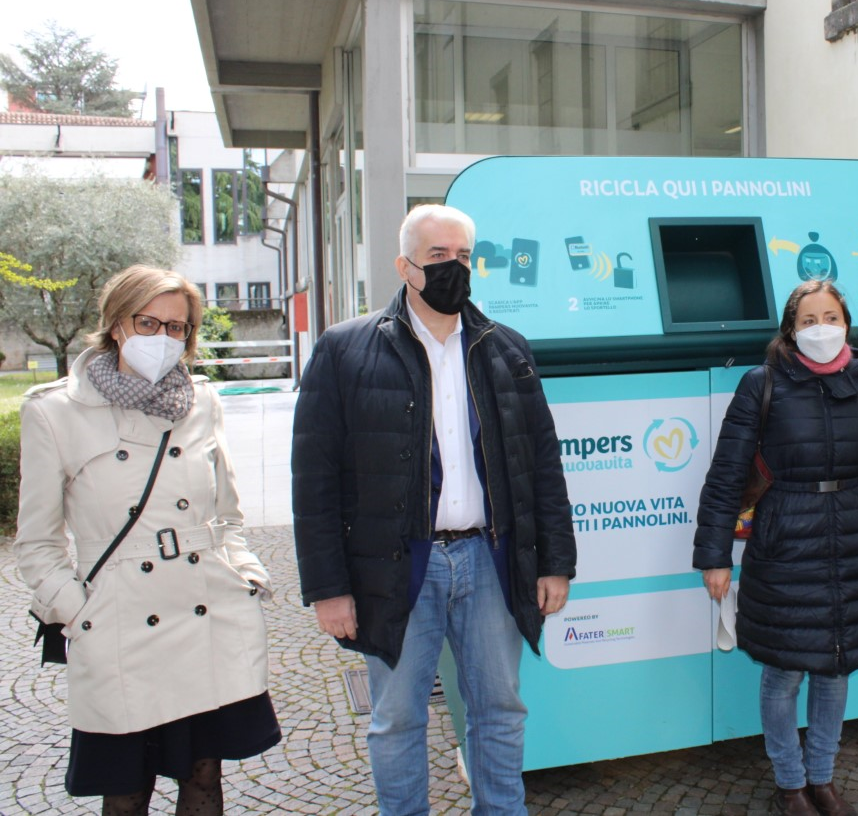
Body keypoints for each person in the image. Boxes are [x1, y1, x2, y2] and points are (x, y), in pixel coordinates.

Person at [291, 204, 577, 815]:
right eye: (438, 257)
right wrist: (328, 589)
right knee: (396, 718)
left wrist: (555, 563)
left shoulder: (507, 350)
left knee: (500, 710)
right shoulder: (345, 351)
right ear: (405, 267)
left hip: (490, 561)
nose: (454, 268)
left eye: (464, 256)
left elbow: (542, 468)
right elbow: (313, 480)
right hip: (397, 567)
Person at [15, 265, 280, 816]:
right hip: (118, 624)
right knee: (126, 791)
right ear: (117, 324)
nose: (164, 338)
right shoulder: (54, 411)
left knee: (205, 776)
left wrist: (246, 573)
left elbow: (227, 512)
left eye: (178, 327)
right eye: (149, 322)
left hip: (207, 613)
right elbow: (36, 544)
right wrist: (76, 611)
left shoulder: (202, 402)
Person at [693, 280, 858, 816]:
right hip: (786, 540)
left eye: (830, 317)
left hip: (854, 541)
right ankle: (790, 783)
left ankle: (823, 778)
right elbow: (725, 478)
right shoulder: (760, 384)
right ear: (791, 329)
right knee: (785, 669)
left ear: (847, 323)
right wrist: (715, 555)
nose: (821, 329)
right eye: (808, 320)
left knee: (836, 667)